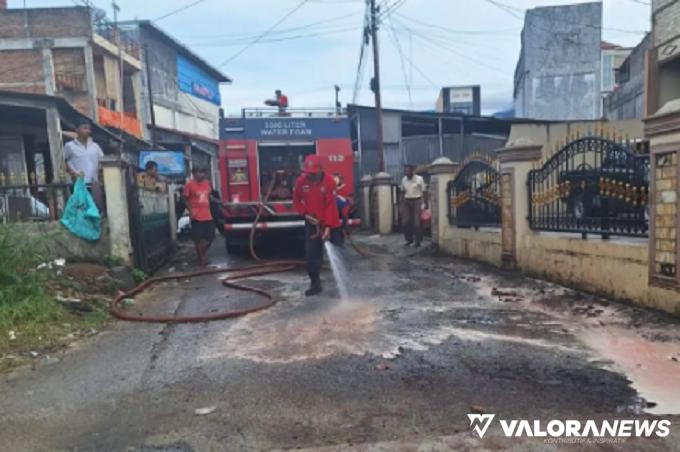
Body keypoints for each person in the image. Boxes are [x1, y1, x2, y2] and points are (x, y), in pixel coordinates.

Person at [293, 155, 341, 296]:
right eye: (309, 173)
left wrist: (327, 227)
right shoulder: (301, 181)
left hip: (331, 221)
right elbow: (296, 200)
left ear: (321, 169)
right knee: (312, 254)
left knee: (337, 249)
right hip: (312, 222)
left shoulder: (330, 182)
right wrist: (305, 214)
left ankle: (342, 278)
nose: (311, 176)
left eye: (314, 173)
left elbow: (330, 206)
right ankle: (315, 283)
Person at [64, 120, 104, 212]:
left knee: (94, 210)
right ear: (77, 130)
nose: (87, 131)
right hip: (78, 184)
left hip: (93, 184)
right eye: (84, 128)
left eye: (89, 129)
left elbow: (103, 162)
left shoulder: (95, 146)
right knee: (81, 210)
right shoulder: (70, 146)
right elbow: (63, 161)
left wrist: (101, 177)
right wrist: (72, 173)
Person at [182, 167, 215, 266]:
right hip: (196, 216)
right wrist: (190, 210)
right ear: (194, 174)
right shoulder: (189, 185)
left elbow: (209, 196)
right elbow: (184, 198)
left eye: (203, 172)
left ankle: (201, 255)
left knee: (211, 237)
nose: (202, 175)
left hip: (207, 215)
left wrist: (218, 202)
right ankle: (202, 258)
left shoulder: (207, 183)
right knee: (198, 238)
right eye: (200, 172)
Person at [400, 164, 427, 247]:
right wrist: (401, 205)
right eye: (405, 171)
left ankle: (418, 241)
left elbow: (424, 191)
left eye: (408, 171)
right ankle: (409, 239)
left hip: (417, 200)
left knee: (416, 222)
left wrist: (423, 203)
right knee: (405, 221)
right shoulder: (404, 179)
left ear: (412, 171)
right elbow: (402, 192)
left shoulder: (419, 179)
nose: (406, 172)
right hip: (407, 200)